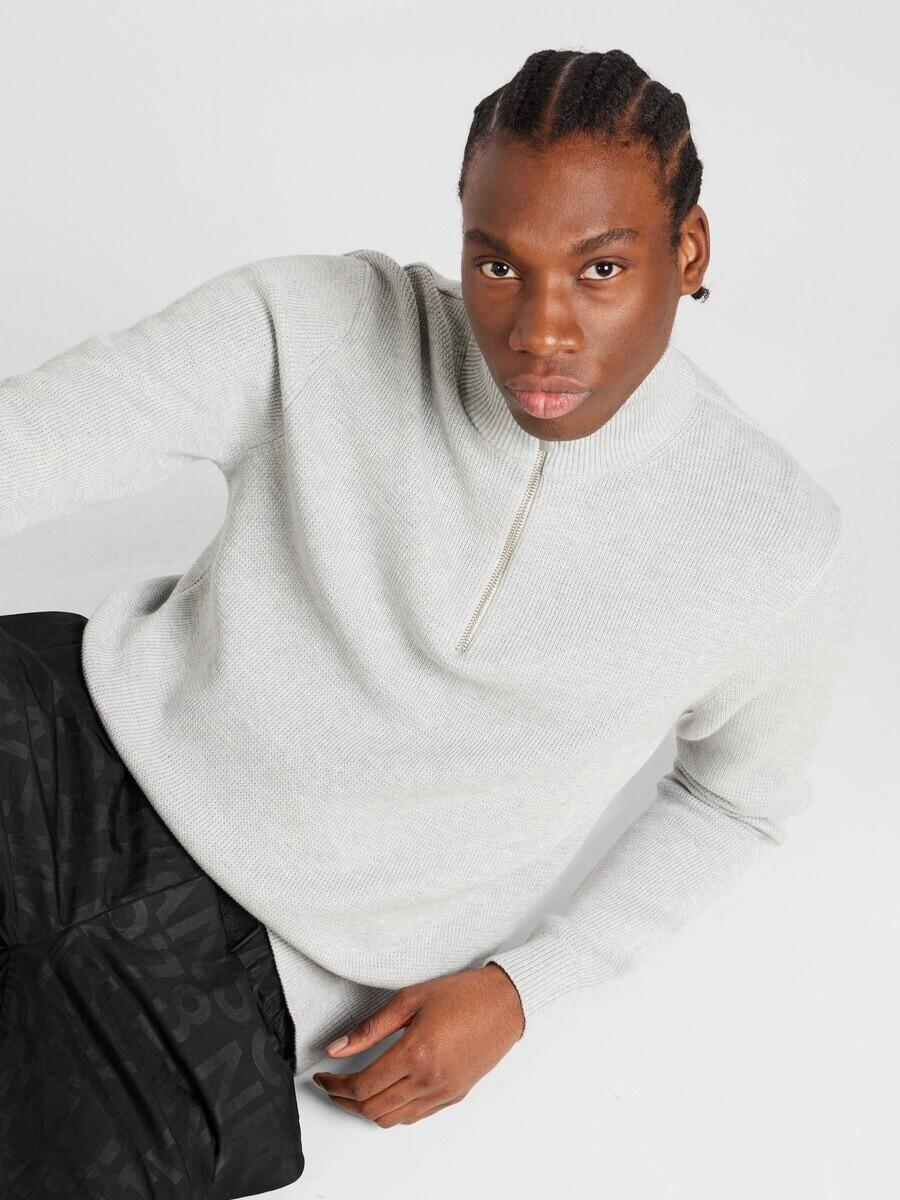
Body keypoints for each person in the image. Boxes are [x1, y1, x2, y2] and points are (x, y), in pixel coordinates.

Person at [0, 45, 866, 1194]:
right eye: (498, 264)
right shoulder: (322, 322)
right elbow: (37, 440)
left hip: (253, 971)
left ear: (688, 251)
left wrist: (524, 991)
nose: (541, 328)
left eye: (601, 269)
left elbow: (737, 800)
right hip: (68, 749)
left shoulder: (779, 543)